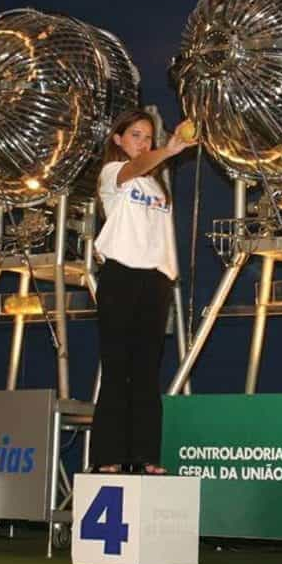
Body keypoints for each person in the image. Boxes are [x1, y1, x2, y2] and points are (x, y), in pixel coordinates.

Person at [91, 109, 195, 474]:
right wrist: (169, 149)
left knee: (147, 370)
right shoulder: (113, 174)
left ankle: (146, 455)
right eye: (135, 135)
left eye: (148, 137)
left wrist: (166, 275)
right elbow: (136, 167)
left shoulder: (158, 184)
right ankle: (109, 456)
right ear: (118, 139)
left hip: (155, 280)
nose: (143, 142)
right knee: (118, 367)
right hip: (120, 275)